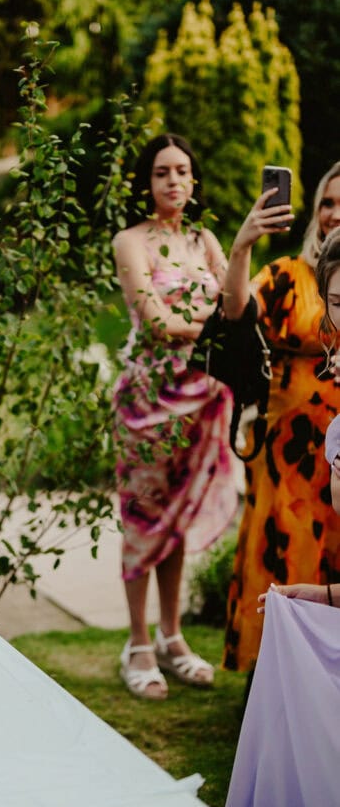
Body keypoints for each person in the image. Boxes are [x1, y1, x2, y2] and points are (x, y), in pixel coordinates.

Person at [112, 134, 238, 699]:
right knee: (144, 518)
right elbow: (157, 321)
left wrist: (241, 250)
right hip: (148, 400)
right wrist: (214, 328)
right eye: (162, 172)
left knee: (177, 521)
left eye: (182, 171)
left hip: (200, 398)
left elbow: (238, 306)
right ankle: (138, 642)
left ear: (193, 180)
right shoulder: (130, 241)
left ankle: (171, 635)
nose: (173, 181)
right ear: (148, 181)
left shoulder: (204, 240)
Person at [222, 163, 340, 672]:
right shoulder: (290, 274)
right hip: (288, 450)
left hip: (339, 447)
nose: (335, 214)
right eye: (328, 203)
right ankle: (275, 672)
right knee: (285, 553)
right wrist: (242, 246)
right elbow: (234, 313)